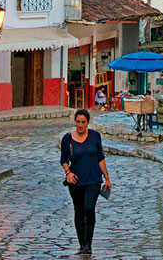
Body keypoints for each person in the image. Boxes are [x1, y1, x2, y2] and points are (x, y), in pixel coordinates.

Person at [60, 109, 112, 256]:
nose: (80, 125)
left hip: (93, 180)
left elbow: (100, 157)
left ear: (88, 122)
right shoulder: (68, 138)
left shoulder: (95, 136)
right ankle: (82, 244)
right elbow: (64, 159)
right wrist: (68, 173)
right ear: (75, 122)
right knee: (79, 211)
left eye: (83, 122)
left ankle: (88, 244)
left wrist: (107, 178)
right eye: (78, 122)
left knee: (89, 208)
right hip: (76, 181)